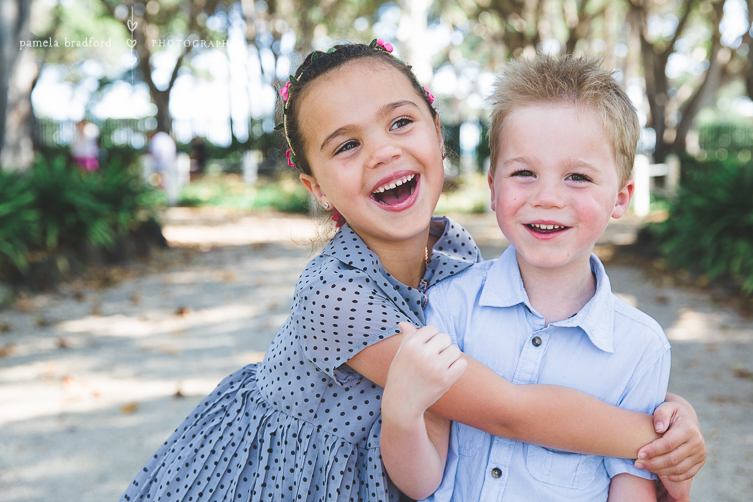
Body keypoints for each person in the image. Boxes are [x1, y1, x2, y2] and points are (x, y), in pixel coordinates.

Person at [120, 42, 705, 502]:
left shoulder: (456, 257)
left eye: (400, 123)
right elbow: (504, 407)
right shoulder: (335, 296)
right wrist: (654, 435)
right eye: (346, 145)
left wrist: (656, 399)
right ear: (317, 188)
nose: (382, 152)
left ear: (437, 134)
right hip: (288, 478)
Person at [380, 55, 699, 502]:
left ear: (621, 197)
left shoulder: (641, 349)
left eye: (578, 177)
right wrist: (399, 411)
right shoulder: (450, 305)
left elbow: (633, 491)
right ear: (493, 187)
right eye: (524, 173)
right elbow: (421, 481)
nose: (548, 198)